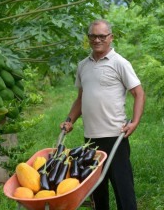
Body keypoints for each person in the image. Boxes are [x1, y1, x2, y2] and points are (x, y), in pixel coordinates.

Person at [60, 19, 145, 210]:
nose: (97, 40)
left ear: (110, 37)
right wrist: (69, 120)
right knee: (97, 191)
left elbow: (138, 93)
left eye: (102, 36)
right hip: (91, 139)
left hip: (116, 137)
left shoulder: (120, 63)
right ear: (88, 38)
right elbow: (81, 98)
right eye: (93, 36)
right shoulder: (83, 65)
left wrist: (135, 122)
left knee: (123, 189)